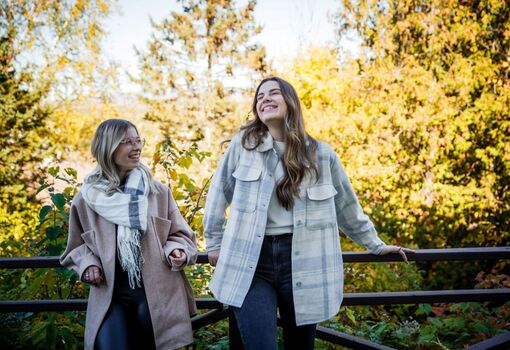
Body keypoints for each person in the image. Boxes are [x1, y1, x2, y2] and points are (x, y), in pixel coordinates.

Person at [203, 77, 413, 349]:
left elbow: (348, 208)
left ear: (290, 102)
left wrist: (376, 245)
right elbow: (218, 195)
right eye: (260, 96)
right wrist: (214, 243)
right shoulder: (243, 147)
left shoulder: (322, 155)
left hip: (304, 262)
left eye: (273, 93)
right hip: (250, 262)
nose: (264, 98)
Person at [60, 119, 197, 350]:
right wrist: (87, 264)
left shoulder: (157, 192)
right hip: (110, 297)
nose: (136, 148)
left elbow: (181, 235)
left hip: (157, 296)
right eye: (126, 142)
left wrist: (177, 249)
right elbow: (75, 247)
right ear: (108, 148)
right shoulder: (86, 198)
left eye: (138, 140)